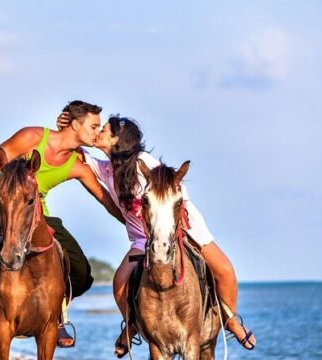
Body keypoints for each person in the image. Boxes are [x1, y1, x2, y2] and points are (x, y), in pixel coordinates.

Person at [57, 114, 256, 357]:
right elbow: (74, 151)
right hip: (141, 240)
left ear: (118, 139)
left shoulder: (143, 161)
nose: (98, 133)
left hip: (181, 227)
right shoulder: (105, 169)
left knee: (225, 271)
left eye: (104, 130)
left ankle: (230, 319)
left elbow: (172, 183)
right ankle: (131, 325)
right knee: (119, 283)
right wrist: (68, 128)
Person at [0, 100, 125, 346]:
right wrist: (8, 202)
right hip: (0, 209)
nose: (98, 131)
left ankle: (56, 312)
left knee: (81, 271)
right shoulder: (32, 137)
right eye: (94, 125)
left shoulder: (77, 164)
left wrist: (133, 224)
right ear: (75, 124)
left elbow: (105, 199)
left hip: (38, 215)